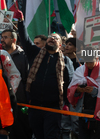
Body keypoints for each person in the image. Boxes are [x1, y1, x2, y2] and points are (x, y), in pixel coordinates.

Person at [15, 9, 74, 139]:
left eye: (55, 38)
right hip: (35, 106)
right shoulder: (35, 54)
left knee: (51, 135)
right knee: (38, 135)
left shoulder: (65, 61)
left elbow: (69, 82)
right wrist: (21, 22)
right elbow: (25, 40)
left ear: (60, 45)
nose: (51, 39)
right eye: (49, 38)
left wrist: (66, 103)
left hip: (53, 108)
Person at [68, 49, 100, 139]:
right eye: (86, 62)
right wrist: (78, 90)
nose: (88, 65)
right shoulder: (80, 70)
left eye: (91, 62)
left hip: (97, 114)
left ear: (96, 58)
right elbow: (71, 88)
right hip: (82, 111)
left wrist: (95, 91)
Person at [0, 29, 31, 139]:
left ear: (14, 40)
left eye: (5, 37)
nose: (2, 40)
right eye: (1, 37)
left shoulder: (24, 56)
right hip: (2, 101)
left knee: (20, 132)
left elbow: (28, 78)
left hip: (19, 101)